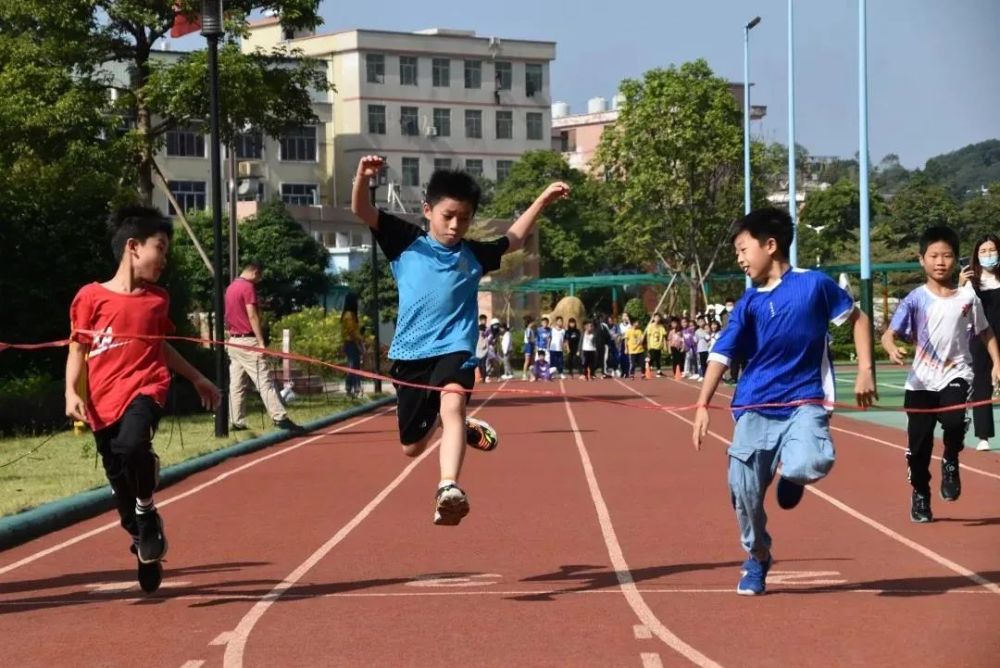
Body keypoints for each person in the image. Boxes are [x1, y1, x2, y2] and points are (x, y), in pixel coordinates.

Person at [351, 155, 569, 525]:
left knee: (452, 405)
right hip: (410, 357)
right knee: (411, 447)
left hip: (455, 350)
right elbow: (362, 209)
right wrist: (361, 176)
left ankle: (448, 488)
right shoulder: (406, 242)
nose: (455, 226)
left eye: (464, 219)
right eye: (447, 216)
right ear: (427, 210)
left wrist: (541, 201)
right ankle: (455, 426)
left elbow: (513, 239)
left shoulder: (473, 255)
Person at [692, 207, 876, 596]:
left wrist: (865, 370)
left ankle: (792, 474)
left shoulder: (815, 286)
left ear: (770, 245)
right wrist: (702, 405)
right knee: (742, 491)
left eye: (744, 249)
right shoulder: (747, 305)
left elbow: (858, 319)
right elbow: (721, 356)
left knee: (813, 461)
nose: (739, 259)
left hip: (805, 400)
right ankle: (758, 557)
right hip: (755, 407)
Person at [65, 205, 221, 593]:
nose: (164, 259)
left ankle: (147, 509)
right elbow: (77, 350)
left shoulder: (157, 300)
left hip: (146, 388)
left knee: (135, 444)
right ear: (133, 247)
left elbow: (161, 347)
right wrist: (71, 392)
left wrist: (197, 377)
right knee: (121, 491)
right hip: (102, 404)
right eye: (161, 248)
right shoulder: (89, 297)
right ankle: (141, 541)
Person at [882, 226, 1000, 523]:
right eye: (933, 256)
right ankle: (921, 494)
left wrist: (997, 362)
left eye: (947, 255)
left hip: (957, 373)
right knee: (919, 447)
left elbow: (985, 332)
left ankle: (950, 459)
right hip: (920, 381)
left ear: (956, 259)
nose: (940, 262)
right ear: (922, 259)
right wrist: (892, 347)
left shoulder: (967, 298)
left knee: (953, 420)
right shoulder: (914, 299)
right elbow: (889, 334)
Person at [225, 259, 302, 433]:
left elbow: (229, 314)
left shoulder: (230, 288)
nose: (258, 281)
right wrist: (260, 342)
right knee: (264, 380)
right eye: (259, 277)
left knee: (236, 383)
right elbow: (252, 315)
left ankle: (236, 420)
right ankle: (279, 417)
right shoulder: (247, 287)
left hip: (233, 341)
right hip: (248, 342)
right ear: (255, 272)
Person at [959, 233, 1000, 451]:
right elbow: (961, 309)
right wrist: (960, 284)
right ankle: (983, 436)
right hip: (981, 337)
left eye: (992, 250)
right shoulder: (971, 283)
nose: (988, 255)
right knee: (981, 384)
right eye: (983, 251)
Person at [341, 294, 365, 399]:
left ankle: (354, 389)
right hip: (351, 344)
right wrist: (359, 343)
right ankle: (351, 389)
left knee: (355, 367)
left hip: (352, 343)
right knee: (352, 367)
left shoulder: (351, 315)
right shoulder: (349, 315)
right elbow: (352, 332)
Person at [645, 313, 667, 377]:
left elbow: (663, 336)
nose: (657, 319)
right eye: (656, 317)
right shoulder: (650, 326)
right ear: (653, 318)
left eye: (658, 317)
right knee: (652, 357)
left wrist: (664, 345)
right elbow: (648, 336)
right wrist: (648, 345)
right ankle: (647, 368)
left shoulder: (661, 327)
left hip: (659, 346)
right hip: (652, 345)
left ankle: (658, 371)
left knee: (658, 359)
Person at [522, 315, 536, 381]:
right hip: (528, 345)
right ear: (530, 323)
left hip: (531, 345)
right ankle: (524, 375)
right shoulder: (528, 330)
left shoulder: (531, 330)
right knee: (527, 360)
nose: (534, 323)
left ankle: (531, 374)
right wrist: (531, 344)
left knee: (532, 361)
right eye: (533, 322)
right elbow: (528, 338)